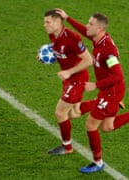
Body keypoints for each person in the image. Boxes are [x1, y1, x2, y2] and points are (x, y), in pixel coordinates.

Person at [56, 9, 129, 173]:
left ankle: (98, 163)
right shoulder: (97, 40)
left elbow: (119, 76)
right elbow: (84, 31)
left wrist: (95, 85)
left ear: (99, 29)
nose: (87, 26)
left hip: (111, 91)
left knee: (91, 124)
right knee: (107, 127)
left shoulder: (108, 51)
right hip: (109, 91)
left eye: (90, 24)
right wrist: (67, 18)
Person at [39, 9, 93, 155]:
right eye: (44, 22)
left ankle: (67, 147)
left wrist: (69, 72)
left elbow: (89, 60)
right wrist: (46, 57)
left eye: (48, 22)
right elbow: (60, 50)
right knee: (74, 113)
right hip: (68, 78)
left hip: (77, 78)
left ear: (58, 22)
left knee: (60, 113)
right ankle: (103, 101)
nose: (45, 25)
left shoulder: (72, 37)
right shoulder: (52, 35)